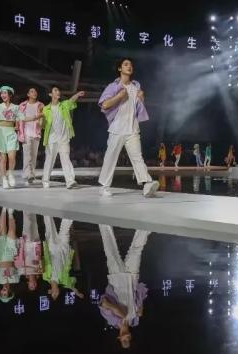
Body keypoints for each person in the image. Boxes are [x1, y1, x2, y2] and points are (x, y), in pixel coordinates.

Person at [97, 58, 159, 198]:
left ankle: (147, 184)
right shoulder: (113, 86)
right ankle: (104, 186)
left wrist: (142, 98)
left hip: (133, 129)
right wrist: (119, 96)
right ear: (120, 69)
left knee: (138, 158)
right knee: (110, 158)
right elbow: (104, 105)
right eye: (125, 64)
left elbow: (138, 108)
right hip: (117, 128)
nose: (129, 66)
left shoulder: (136, 86)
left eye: (130, 65)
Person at [98, 225, 149, 349]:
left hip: (116, 278)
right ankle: (147, 223)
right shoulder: (134, 320)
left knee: (110, 247)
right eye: (128, 340)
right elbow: (140, 298)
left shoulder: (111, 320)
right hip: (131, 278)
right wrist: (140, 308)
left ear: (119, 338)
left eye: (124, 340)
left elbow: (104, 303)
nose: (126, 339)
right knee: (137, 249)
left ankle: (103, 219)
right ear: (130, 336)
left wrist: (121, 314)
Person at [0, 86, 42, 189]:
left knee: (12, 157)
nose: (3, 95)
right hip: (0, 133)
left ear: (10, 95)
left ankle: (11, 174)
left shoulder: (16, 107)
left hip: (11, 133)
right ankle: (4, 179)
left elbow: (23, 118)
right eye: (1, 93)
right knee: (3, 159)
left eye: (5, 93)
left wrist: (35, 117)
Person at [41, 87, 84, 189]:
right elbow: (43, 125)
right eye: (55, 90)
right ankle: (45, 180)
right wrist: (42, 119)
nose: (58, 92)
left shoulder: (64, 105)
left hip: (64, 138)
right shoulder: (46, 109)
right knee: (49, 160)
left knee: (66, 158)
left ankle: (70, 181)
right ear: (50, 94)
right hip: (51, 139)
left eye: (58, 91)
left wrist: (77, 95)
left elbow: (71, 100)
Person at [43, 216, 83, 302]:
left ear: (50, 291)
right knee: (65, 228)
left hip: (51, 248)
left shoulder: (46, 277)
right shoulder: (64, 280)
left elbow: (42, 263)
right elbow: (72, 286)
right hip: (63, 248)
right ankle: (70, 210)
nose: (56, 293)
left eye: (54, 295)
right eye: (57, 295)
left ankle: (46, 208)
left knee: (48, 222)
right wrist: (77, 293)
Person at [0, 207, 20, 303]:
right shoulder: (16, 280)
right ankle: (10, 213)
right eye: (5, 294)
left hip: (0, 255)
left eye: (2, 293)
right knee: (12, 232)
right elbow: (20, 269)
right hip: (11, 255)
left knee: (2, 229)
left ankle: (4, 209)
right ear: (9, 292)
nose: (3, 292)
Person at [18, 88, 45, 185]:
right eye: (32, 91)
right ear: (28, 94)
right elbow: (21, 118)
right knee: (27, 155)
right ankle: (26, 175)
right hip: (26, 132)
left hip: (36, 133)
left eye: (35, 91)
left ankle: (31, 175)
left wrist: (41, 119)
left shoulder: (40, 105)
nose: (34, 93)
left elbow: (43, 118)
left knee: (33, 155)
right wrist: (34, 118)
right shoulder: (22, 105)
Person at [15, 212, 42, 292]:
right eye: (34, 286)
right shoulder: (40, 272)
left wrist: (20, 245)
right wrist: (38, 262)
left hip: (26, 245)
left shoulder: (22, 272)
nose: (33, 285)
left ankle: (26, 207)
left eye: (31, 286)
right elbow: (41, 259)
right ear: (36, 284)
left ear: (28, 283)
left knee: (27, 224)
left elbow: (18, 261)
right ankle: (32, 209)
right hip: (35, 245)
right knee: (34, 225)